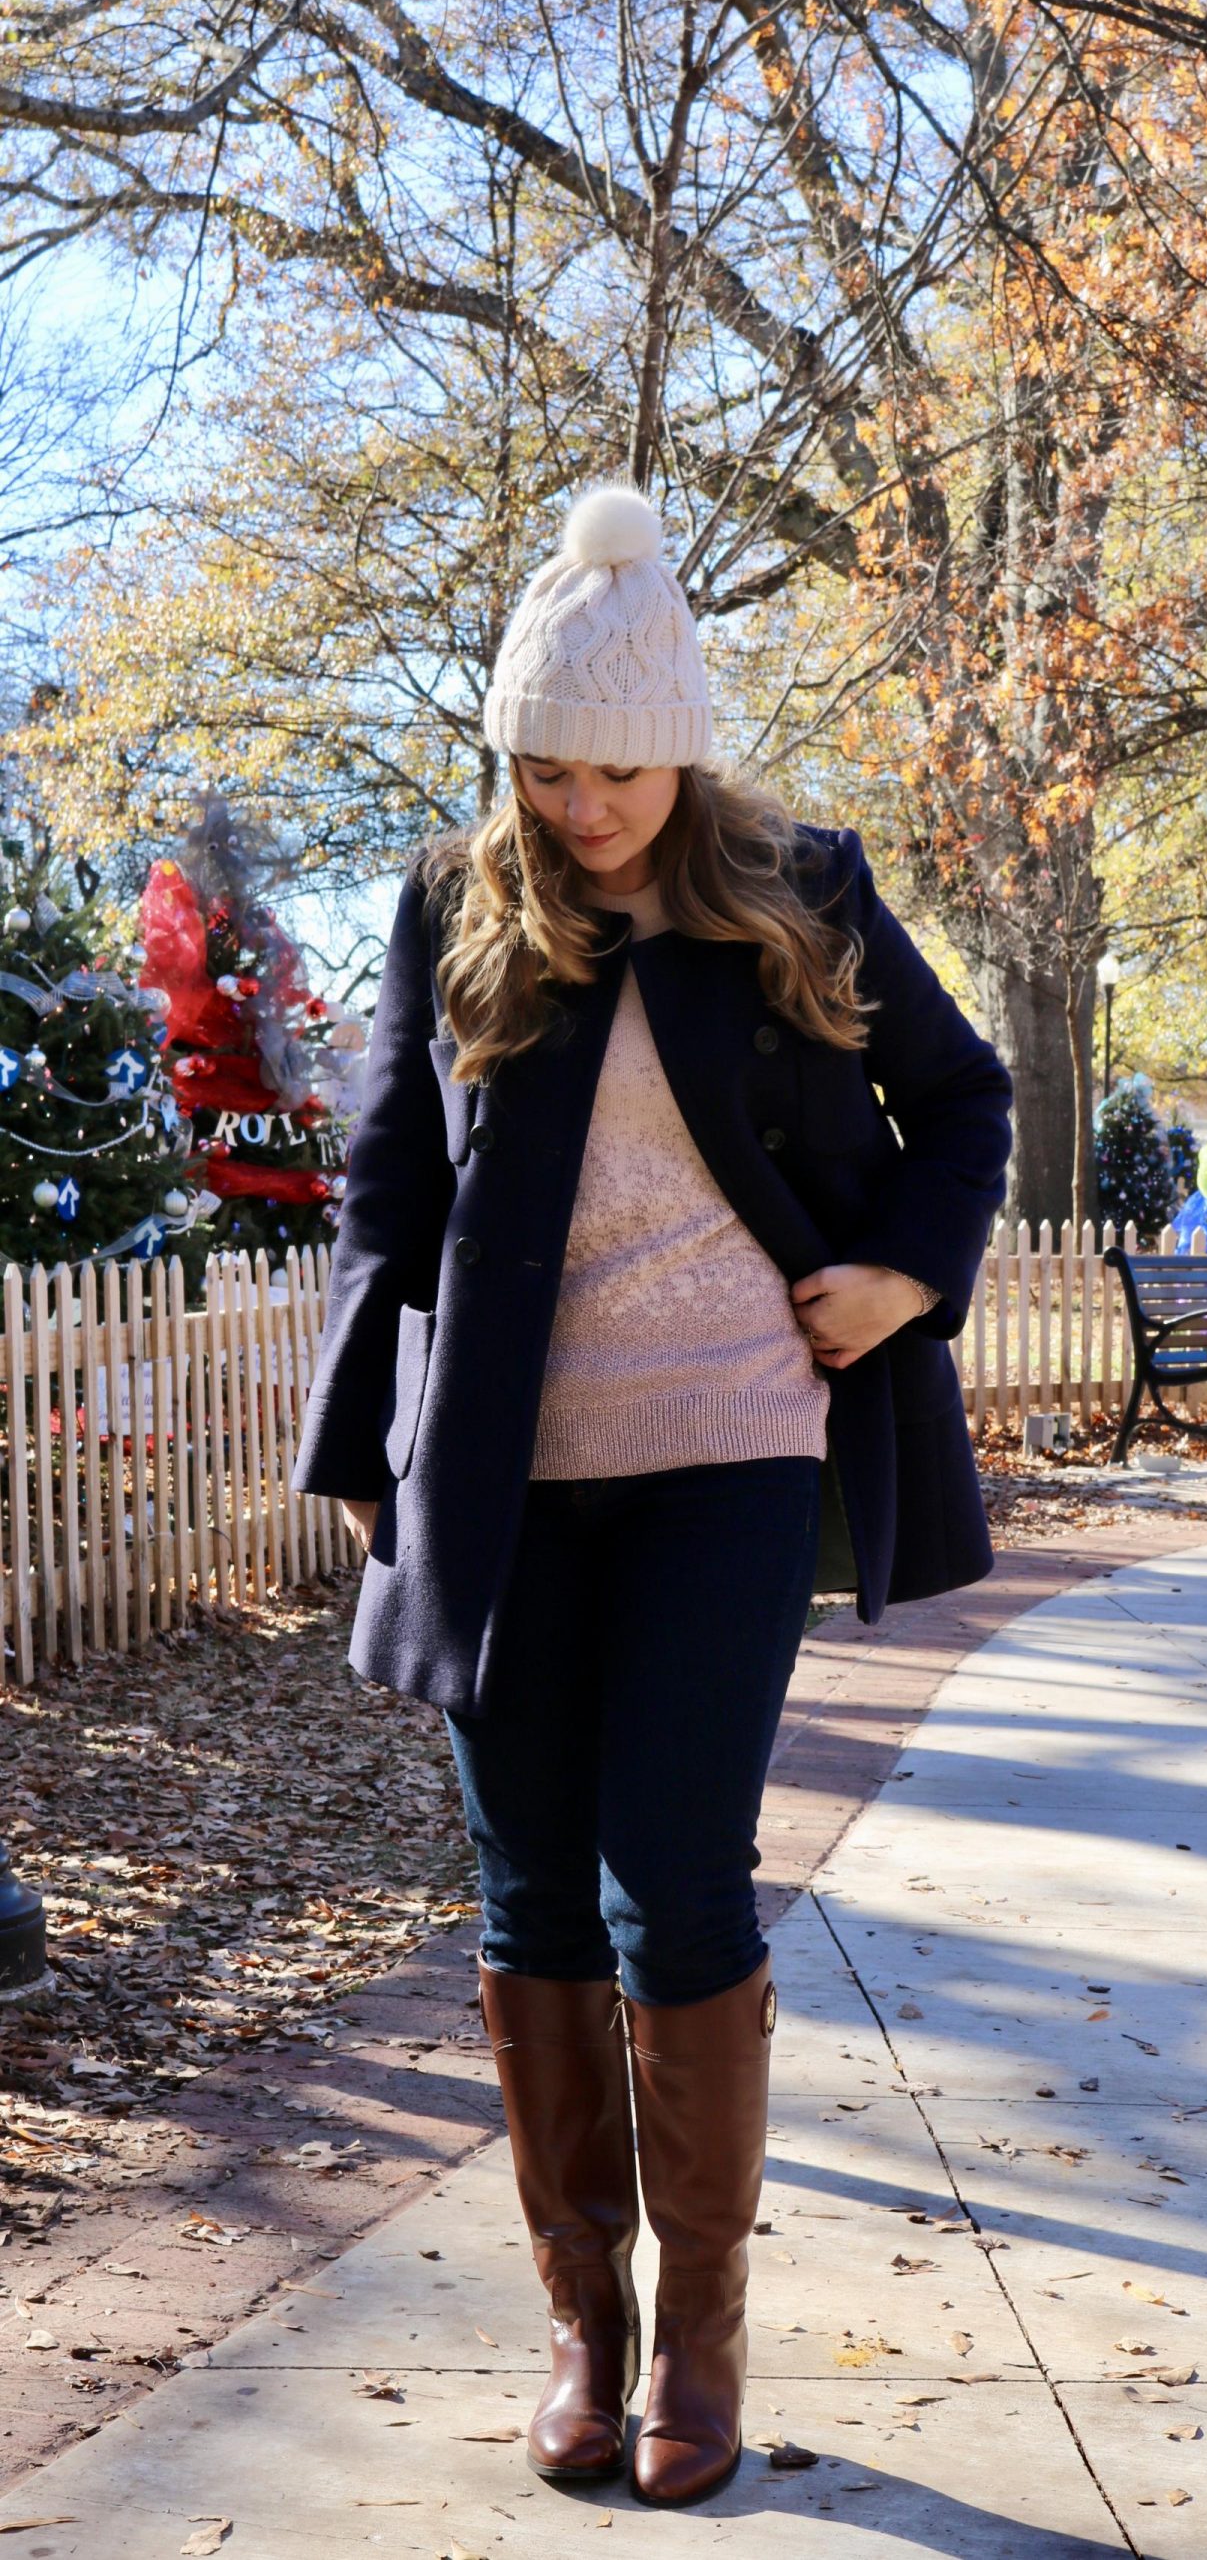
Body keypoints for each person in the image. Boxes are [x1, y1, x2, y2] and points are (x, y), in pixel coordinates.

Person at [290, 482, 1013, 2509]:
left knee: (669, 1879)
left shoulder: (798, 884)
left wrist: (907, 1271)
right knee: (526, 1898)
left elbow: (964, 1103)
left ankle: (700, 2335)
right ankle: (581, 2333)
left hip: (731, 1448)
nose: (580, 801)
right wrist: (366, 1455)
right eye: (543, 762)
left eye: (613, 763)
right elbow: (385, 1196)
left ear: (679, 744)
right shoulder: (453, 901)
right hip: (509, 1473)